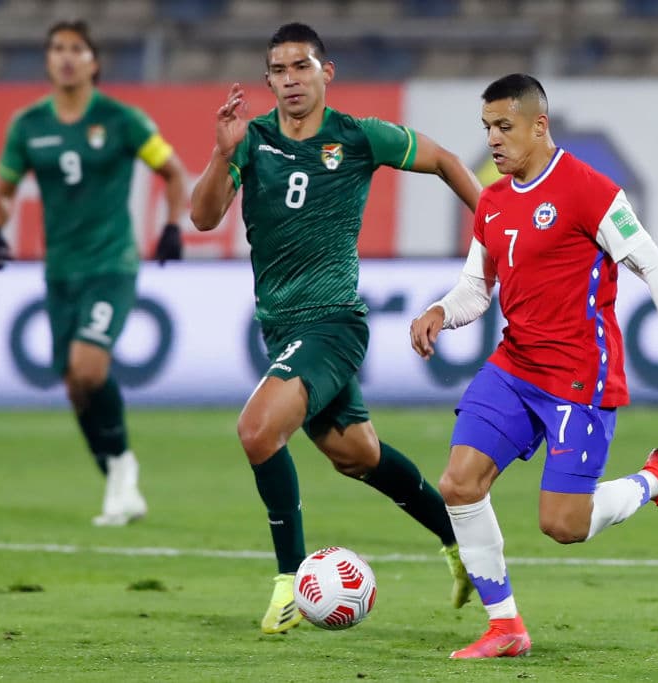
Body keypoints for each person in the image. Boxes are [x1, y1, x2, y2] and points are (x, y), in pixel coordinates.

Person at [410, 73, 658, 659]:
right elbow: (476, 288)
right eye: (486, 128)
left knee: (563, 524)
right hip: (514, 366)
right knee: (459, 484)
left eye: (504, 126)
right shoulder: (492, 202)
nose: (493, 139)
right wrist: (441, 309)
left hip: (577, 377)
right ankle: (505, 627)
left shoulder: (590, 190)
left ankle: (656, 480)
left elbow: (655, 266)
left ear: (539, 125)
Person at [190, 22, 484, 635]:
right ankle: (461, 542)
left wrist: (497, 230)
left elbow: (445, 161)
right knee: (358, 455)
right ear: (268, 80)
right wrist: (221, 153)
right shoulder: (252, 141)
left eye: (301, 66)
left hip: (333, 324)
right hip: (282, 329)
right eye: (279, 70)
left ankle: (288, 582)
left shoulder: (358, 136)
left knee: (256, 431)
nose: (291, 80)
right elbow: (203, 216)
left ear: (327, 72)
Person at [0, 20, 187, 526]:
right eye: (57, 48)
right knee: (75, 385)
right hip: (61, 272)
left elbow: (172, 171)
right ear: (47, 60)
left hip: (111, 264)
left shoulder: (122, 120)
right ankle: (117, 473)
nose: (66, 57)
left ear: (94, 62)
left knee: (90, 367)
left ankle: (123, 470)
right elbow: (4, 190)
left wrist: (171, 225)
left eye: (76, 49)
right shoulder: (28, 125)